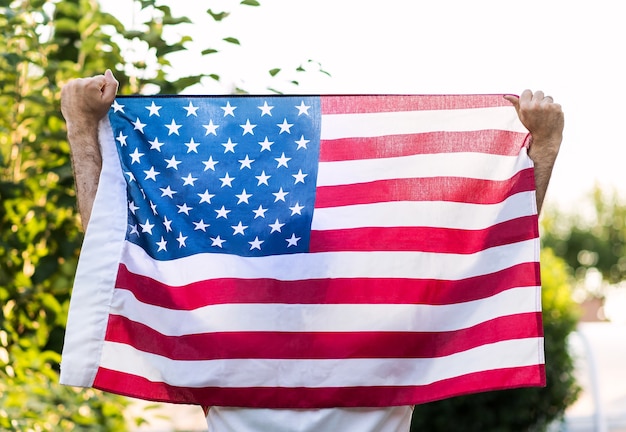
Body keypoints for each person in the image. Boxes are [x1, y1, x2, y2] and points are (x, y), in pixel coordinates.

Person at [60, 70, 564, 432]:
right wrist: (543, 149)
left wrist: (81, 126)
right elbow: (112, 261)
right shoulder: (390, 333)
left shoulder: (217, 332)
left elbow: (496, 246)